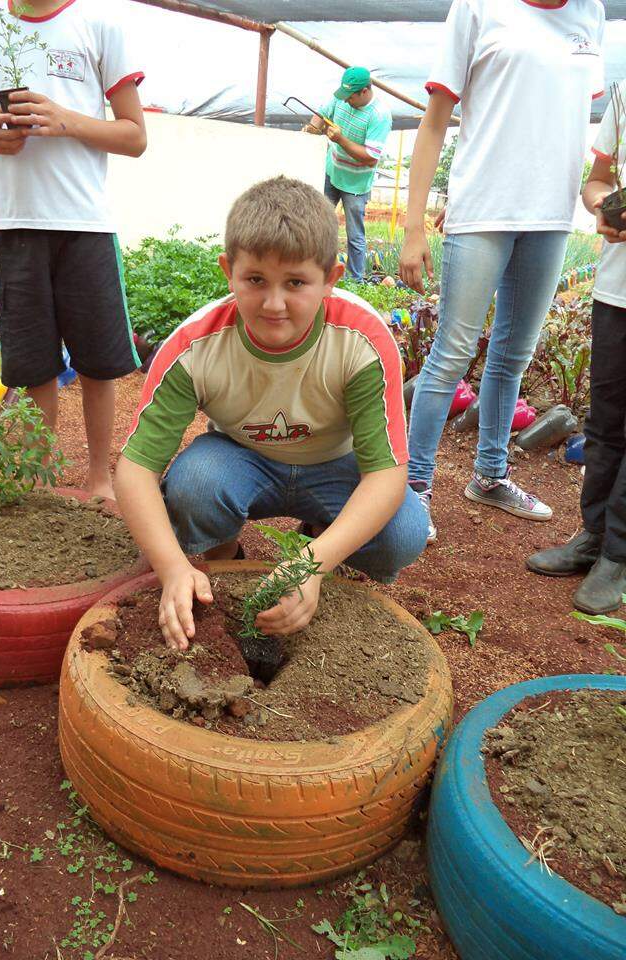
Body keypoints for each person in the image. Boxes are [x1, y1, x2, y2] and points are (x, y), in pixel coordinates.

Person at [115, 177, 427, 651]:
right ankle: (218, 562)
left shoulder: (363, 341)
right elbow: (135, 469)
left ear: (331, 279)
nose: (274, 303)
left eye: (297, 283)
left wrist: (310, 566)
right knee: (195, 484)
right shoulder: (194, 347)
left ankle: (322, 546)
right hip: (242, 460)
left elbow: (386, 474)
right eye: (255, 280)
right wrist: (173, 566)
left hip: (337, 468)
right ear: (228, 271)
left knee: (403, 531)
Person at [399, 0, 604, 544]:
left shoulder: (592, 14)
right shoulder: (478, 7)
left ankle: (490, 476)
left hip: (552, 216)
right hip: (483, 210)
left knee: (512, 356)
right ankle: (414, 490)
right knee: (452, 354)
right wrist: (414, 224)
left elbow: (561, 118)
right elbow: (435, 120)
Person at [0, 0, 147, 499]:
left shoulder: (98, 25)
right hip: (15, 222)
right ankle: (40, 479)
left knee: (98, 361)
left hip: (85, 224)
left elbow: (134, 136)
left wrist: (65, 120)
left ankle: (100, 478)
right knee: (33, 362)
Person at [527, 82, 626, 615]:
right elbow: (599, 180)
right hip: (617, 292)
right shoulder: (624, 95)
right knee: (605, 423)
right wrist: (602, 208)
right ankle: (593, 537)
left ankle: (620, 554)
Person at [304, 66, 391, 283]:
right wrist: (313, 128)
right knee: (317, 224)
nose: (346, 101)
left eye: (350, 96)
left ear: (364, 92)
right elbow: (321, 115)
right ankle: (313, 273)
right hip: (332, 173)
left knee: (355, 236)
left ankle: (356, 282)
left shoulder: (379, 116)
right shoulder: (342, 99)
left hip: (356, 185)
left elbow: (371, 156)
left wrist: (340, 140)